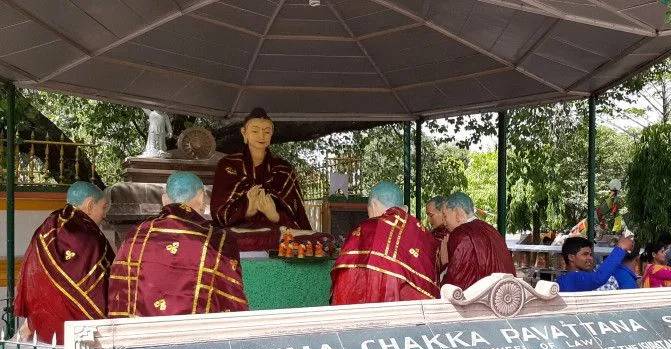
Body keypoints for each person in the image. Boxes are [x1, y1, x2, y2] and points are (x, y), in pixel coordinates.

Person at [109, 172, 248, 317]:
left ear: (164, 200)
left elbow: (120, 290)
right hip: (197, 334)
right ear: (201, 198)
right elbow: (230, 299)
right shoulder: (218, 240)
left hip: (143, 334)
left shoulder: (136, 235)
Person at [14, 182, 114, 344]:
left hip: (41, 328)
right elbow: (103, 282)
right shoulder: (88, 233)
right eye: (103, 207)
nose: (104, 214)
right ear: (89, 205)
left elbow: (28, 271)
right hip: (79, 333)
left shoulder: (47, 226)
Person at [210, 108, 311, 250]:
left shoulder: (284, 169)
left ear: (272, 135)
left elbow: (298, 215)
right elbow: (219, 212)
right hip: (239, 237)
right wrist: (247, 210)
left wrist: (274, 215)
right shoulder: (228, 165)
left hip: (277, 238)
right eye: (255, 131)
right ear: (244, 133)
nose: (261, 136)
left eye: (267, 131)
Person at [331, 181, 439, 304]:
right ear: (404, 209)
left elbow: (344, 282)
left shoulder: (364, 231)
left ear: (373, 205)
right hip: (411, 315)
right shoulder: (422, 234)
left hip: (364, 314)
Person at [441, 192, 515, 290]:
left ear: (458, 214)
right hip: (507, 294)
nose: (444, 222)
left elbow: (455, 284)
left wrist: (445, 263)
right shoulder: (492, 230)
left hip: (477, 302)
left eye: (445, 216)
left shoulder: (460, 233)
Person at [558, 235, 634, 292]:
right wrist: (620, 248)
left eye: (590, 254)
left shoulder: (565, 279)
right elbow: (599, 278)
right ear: (571, 257)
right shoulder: (570, 278)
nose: (590, 258)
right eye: (585, 254)